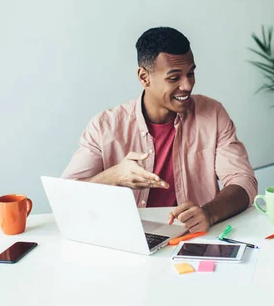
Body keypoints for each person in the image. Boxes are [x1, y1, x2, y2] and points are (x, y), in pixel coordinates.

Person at [62, 27, 258, 233]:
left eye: (191, 73)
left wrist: (208, 213)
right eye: (174, 78)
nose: (188, 85)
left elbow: (243, 181)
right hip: (126, 237)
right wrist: (114, 176)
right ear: (144, 77)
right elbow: (66, 197)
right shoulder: (104, 126)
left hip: (193, 238)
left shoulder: (213, 114)